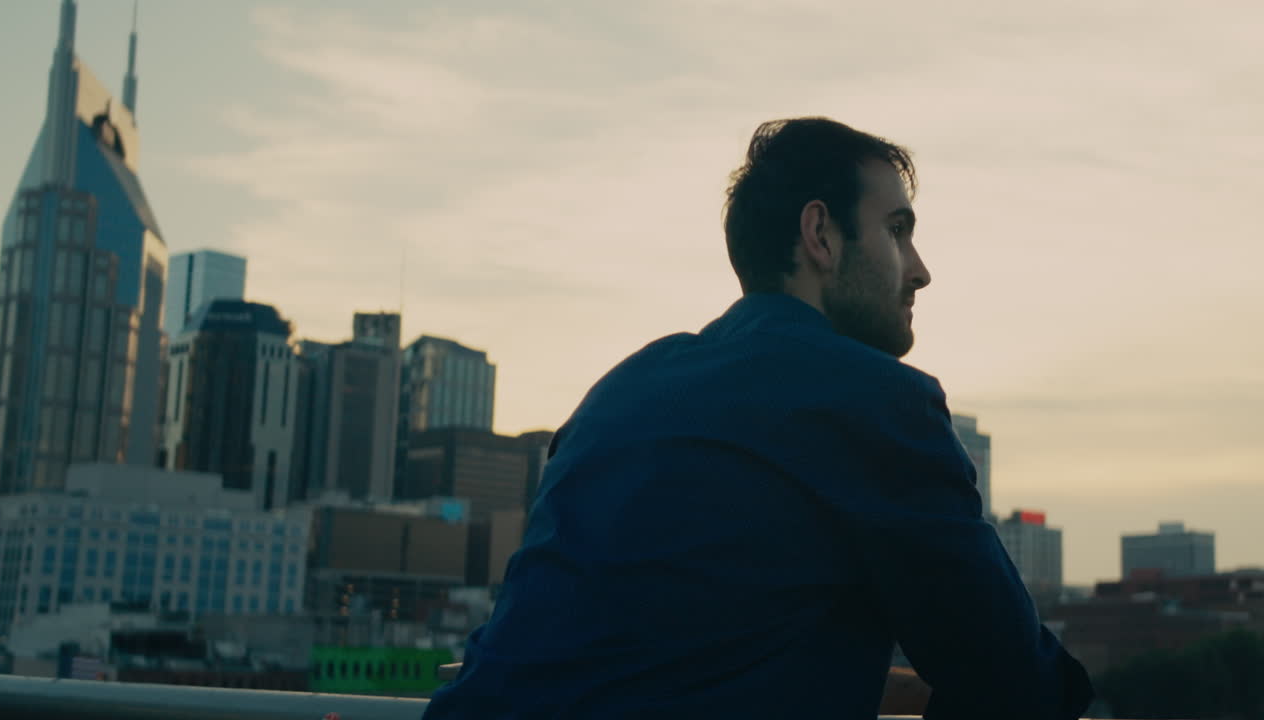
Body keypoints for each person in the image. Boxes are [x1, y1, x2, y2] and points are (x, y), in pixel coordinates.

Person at [424, 117, 1094, 718]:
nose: (920, 271)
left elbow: (650, 651)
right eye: (897, 231)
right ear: (820, 235)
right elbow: (1020, 685)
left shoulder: (618, 393)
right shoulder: (878, 403)